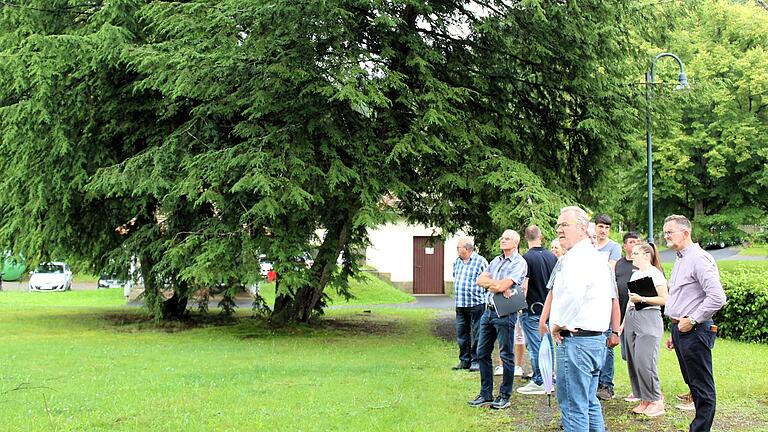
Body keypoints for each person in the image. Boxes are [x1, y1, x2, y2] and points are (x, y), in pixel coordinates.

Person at [540, 206, 620, 432]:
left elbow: (573, 295)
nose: (559, 230)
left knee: (573, 406)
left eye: (565, 225)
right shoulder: (596, 257)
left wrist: (558, 324)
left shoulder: (577, 257)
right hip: (594, 340)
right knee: (590, 403)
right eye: (558, 225)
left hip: (576, 341)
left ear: (583, 228)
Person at [663, 214, 727, 432]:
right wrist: (675, 329)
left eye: (670, 232)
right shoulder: (682, 258)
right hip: (681, 329)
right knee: (693, 384)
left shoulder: (699, 258)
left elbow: (718, 297)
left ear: (685, 232)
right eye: (665, 233)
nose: (666, 237)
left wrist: (691, 320)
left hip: (696, 329)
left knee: (702, 389)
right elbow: (684, 297)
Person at [468, 230, 527, 410]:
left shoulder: (519, 262)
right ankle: (486, 393)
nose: (502, 240)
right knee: (482, 353)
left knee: (506, 355)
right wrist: (497, 286)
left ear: (515, 242)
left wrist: (497, 285)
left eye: (507, 238)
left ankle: (504, 395)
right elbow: (480, 280)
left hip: (505, 313)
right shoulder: (496, 260)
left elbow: (502, 285)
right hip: (488, 311)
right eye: (501, 237)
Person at [624, 242, 668, 417]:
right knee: (634, 360)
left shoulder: (655, 274)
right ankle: (644, 398)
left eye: (636, 253)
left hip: (649, 317)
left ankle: (656, 400)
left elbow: (664, 299)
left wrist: (642, 298)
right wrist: (622, 323)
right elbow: (630, 300)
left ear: (646, 255)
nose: (632, 255)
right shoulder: (636, 275)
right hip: (632, 317)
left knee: (645, 360)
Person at [517, 225, 557, 396]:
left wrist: (518, 305)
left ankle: (540, 380)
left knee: (535, 347)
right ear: (541, 237)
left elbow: (524, 286)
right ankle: (550, 377)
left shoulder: (526, 259)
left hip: (533, 309)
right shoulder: (552, 257)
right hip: (550, 309)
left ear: (526, 238)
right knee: (548, 345)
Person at [594, 213, 623, 401]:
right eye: (601, 227)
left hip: (606, 297)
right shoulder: (589, 246)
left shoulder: (613, 247)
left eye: (607, 227)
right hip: (590, 301)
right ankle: (594, 381)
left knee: (607, 342)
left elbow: (609, 269)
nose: (603, 231)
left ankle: (606, 384)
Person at [451, 237, 489, 371]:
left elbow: (487, 281)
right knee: (462, 334)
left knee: (478, 333)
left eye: (458, 247)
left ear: (467, 249)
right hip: (461, 304)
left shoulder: (481, 261)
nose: (457, 250)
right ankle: (464, 361)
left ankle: (476, 361)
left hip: (476, 303)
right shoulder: (457, 262)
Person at [615, 231, 639, 399]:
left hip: (637, 315)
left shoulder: (642, 265)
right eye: (631, 241)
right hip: (621, 313)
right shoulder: (619, 264)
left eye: (637, 241)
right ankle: (636, 387)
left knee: (639, 354)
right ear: (625, 245)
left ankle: (641, 389)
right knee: (627, 355)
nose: (634, 244)